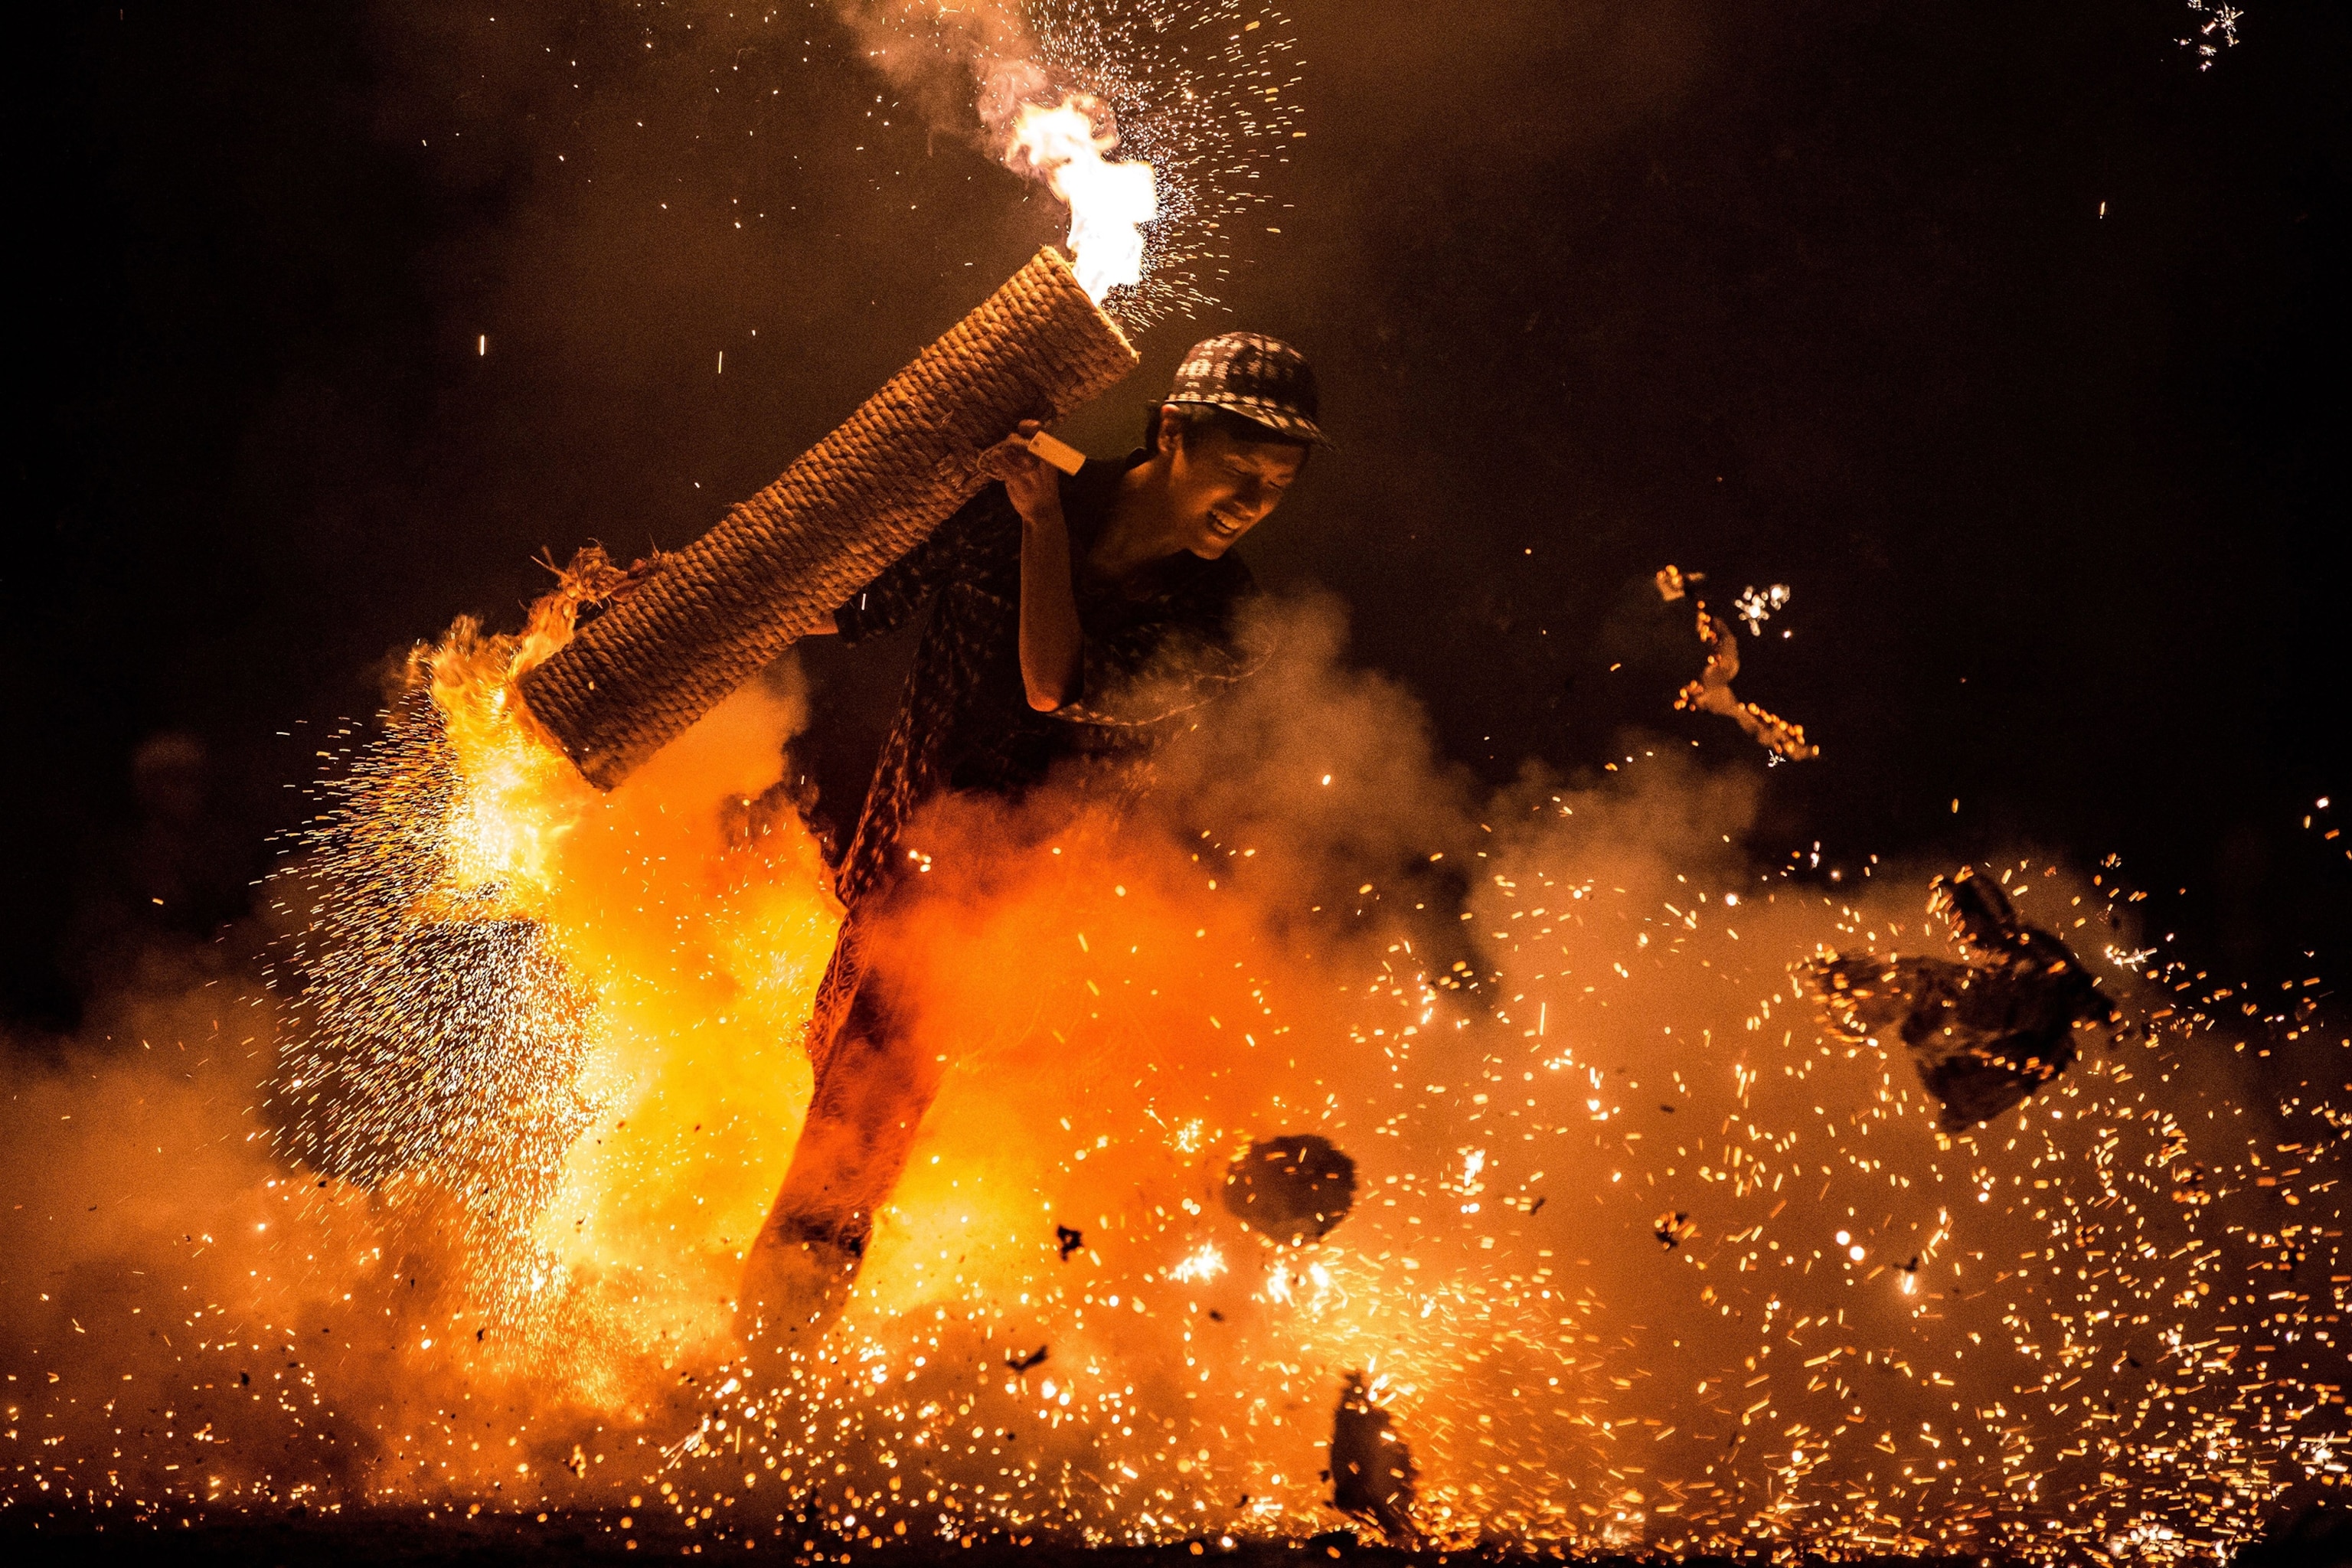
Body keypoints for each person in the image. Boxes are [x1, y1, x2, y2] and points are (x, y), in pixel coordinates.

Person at [738, 333, 1328, 1344]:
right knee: (838, 1082)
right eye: (1239, 472)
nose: (1253, 502)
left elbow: (1056, 686)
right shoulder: (1015, 496)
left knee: (866, 1115)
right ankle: (783, 1351)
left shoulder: (1225, 614)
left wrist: (1042, 523)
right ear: (1171, 431)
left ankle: (770, 1360)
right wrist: (711, 600)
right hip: (896, 862)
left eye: (1276, 485)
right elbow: (866, 598)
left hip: (1031, 916)